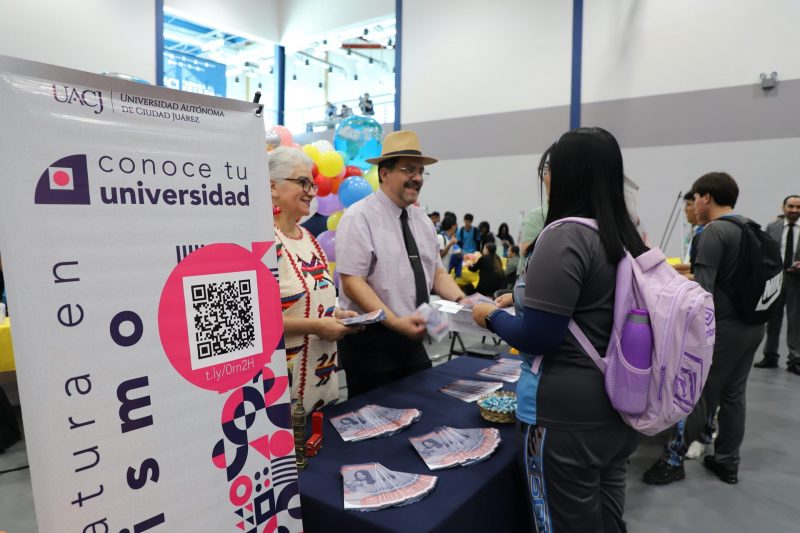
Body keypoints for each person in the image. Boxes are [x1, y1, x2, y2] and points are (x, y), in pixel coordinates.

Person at [472, 127, 645, 532]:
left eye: (548, 169)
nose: (546, 177)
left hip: (564, 417)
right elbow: (592, 305)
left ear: (567, 173)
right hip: (620, 403)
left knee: (560, 522)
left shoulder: (563, 234)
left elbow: (540, 337)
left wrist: (489, 317)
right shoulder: (623, 234)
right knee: (607, 517)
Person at [644, 172, 765, 485]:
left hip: (722, 329)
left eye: (695, 198)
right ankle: (728, 462)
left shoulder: (712, 232)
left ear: (706, 198)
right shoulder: (748, 227)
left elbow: (702, 293)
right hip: (752, 326)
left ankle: (673, 460)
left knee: (694, 394)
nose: (693, 204)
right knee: (734, 395)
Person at [335, 130, 467, 397]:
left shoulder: (422, 220)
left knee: (425, 406)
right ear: (384, 173)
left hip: (414, 334)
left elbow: (437, 272)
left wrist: (463, 301)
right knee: (375, 416)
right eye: (408, 169)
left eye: (420, 171)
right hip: (372, 343)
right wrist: (395, 322)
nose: (417, 178)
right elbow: (352, 282)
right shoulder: (359, 217)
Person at [269, 146, 362, 412]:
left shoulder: (309, 239)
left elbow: (317, 298)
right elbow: (257, 322)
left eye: (312, 184)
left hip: (322, 387)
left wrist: (338, 314)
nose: (312, 192)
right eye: (303, 182)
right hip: (282, 393)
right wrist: (317, 326)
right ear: (273, 187)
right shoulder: (262, 242)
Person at [754, 194, 800, 372]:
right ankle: (770, 356)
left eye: (798, 207)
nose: (794, 210)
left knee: (795, 321)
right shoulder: (772, 227)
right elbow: (763, 251)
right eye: (791, 206)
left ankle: (795, 360)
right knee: (772, 319)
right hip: (776, 278)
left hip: (797, 281)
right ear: (783, 208)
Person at [517, 150, 551, 275]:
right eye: (545, 170)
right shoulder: (538, 215)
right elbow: (525, 251)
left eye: (548, 170)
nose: (544, 176)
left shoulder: (539, 215)